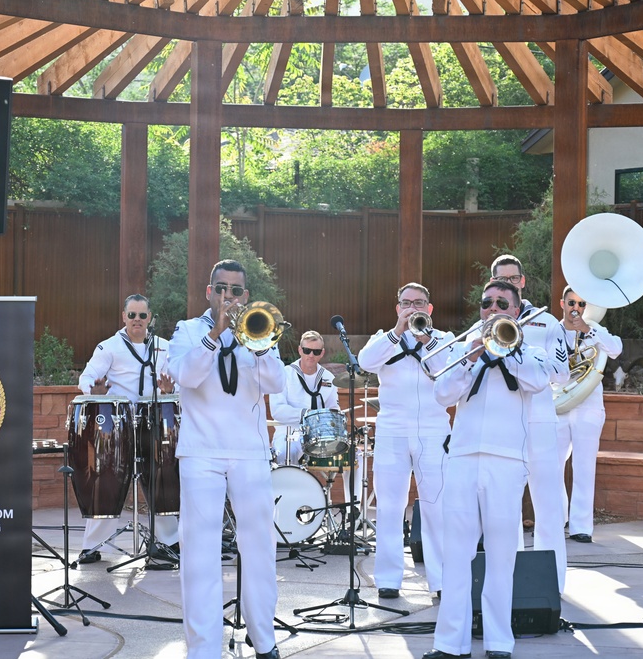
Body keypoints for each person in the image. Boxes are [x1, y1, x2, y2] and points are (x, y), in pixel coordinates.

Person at [423, 280, 550, 659]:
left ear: (515, 311)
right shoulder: (463, 347)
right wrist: (472, 356)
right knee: (455, 554)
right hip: (462, 458)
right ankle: (450, 644)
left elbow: (538, 382)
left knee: (501, 556)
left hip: (506, 461)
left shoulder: (529, 350)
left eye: (501, 304)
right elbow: (442, 394)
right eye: (486, 303)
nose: (492, 309)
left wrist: (507, 350)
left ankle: (499, 642)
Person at [167, 259, 286, 659]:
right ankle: (203, 650)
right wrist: (215, 334)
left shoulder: (259, 329)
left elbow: (276, 383)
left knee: (260, 548)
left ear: (246, 296)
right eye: (221, 289)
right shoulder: (187, 330)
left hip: (250, 452)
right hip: (201, 452)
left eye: (235, 291)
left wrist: (260, 345)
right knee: (199, 552)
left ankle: (264, 640)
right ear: (209, 292)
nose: (228, 297)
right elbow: (186, 376)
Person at [358, 282, 453, 600]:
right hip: (392, 430)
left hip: (433, 430)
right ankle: (388, 578)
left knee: (436, 506)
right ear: (398, 308)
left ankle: (441, 580)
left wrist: (426, 340)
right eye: (407, 303)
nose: (413, 308)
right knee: (388, 507)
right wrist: (398, 331)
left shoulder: (445, 339)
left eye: (419, 303)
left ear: (430, 308)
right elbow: (365, 362)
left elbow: (448, 371)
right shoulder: (383, 338)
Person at [490, 255, 571, 592]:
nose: (508, 284)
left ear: (522, 282)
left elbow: (562, 374)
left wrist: (527, 358)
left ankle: (553, 584)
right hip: (504, 423)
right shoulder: (486, 323)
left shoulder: (546, 322)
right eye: (501, 279)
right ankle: (511, 584)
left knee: (548, 506)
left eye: (513, 279)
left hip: (539, 420)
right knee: (506, 508)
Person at [76, 294, 174, 564]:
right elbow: (87, 377)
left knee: (161, 478)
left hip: (153, 420)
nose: (137, 320)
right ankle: (93, 545)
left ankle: (168, 541)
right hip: (119, 422)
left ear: (149, 318)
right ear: (124, 317)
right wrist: (93, 391)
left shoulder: (164, 347)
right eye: (132, 315)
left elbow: (175, 380)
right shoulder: (109, 347)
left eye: (142, 315)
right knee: (108, 478)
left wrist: (170, 389)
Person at [554, 286, 622, 543]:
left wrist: (586, 329)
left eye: (581, 304)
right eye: (571, 302)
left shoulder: (594, 330)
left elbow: (615, 349)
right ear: (562, 303)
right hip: (558, 404)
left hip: (588, 406)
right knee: (552, 465)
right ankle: (557, 518)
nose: (576, 308)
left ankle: (581, 527)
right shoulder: (553, 331)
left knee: (584, 467)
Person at [268, 331, 362, 512]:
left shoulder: (328, 377)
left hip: (321, 437)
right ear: (300, 350)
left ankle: (353, 512)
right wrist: (307, 414)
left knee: (355, 455)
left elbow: (333, 407)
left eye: (316, 352)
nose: (311, 355)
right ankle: (287, 509)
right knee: (285, 452)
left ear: (322, 353)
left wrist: (335, 416)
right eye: (307, 350)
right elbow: (277, 411)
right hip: (290, 434)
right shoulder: (284, 374)